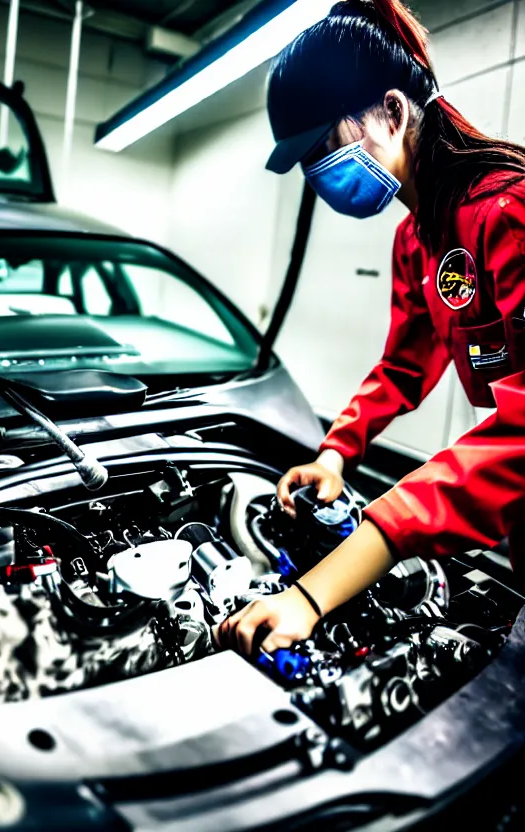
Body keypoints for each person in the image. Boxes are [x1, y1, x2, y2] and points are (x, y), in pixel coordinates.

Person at [216, 0, 525, 659]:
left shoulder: (510, 212)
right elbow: (404, 368)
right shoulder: (419, 238)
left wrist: (311, 595)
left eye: (325, 148)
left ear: (391, 112)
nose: (319, 174)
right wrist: (335, 453)